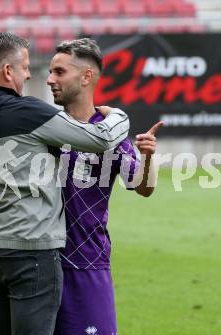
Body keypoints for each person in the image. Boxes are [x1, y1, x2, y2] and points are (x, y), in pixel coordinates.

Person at [0, 32, 130, 335]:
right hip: (31, 247)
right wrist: (118, 115)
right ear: (7, 72)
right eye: (24, 67)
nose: (31, 74)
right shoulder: (27, 111)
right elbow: (101, 139)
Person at [46, 38, 163, 335]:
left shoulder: (107, 131)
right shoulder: (43, 126)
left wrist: (148, 157)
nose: (49, 79)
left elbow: (142, 186)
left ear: (86, 77)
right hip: (37, 262)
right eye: (50, 71)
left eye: (59, 72)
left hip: (86, 261)